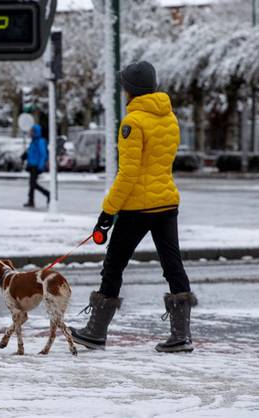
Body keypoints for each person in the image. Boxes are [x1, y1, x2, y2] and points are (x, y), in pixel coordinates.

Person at [71, 61, 197, 353]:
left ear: (130, 89)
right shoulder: (169, 118)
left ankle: (96, 331)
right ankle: (182, 335)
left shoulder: (132, 123)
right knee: (172, 264)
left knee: (114, 265)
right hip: (166, 202)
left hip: (138, 207)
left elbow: (128, 174)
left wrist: (107, 211)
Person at [22, 124, 50, 208]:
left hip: (36, 165)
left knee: (33, 184)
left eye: (32, 131)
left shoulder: (40, 141)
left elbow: (43, 154)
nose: (30, 133)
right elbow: (31, 153)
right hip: (32, 165)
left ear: (36, 132)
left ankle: (47, 194)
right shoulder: (33, 141)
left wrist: (40, 166)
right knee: (32, 184)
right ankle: (31, 201)